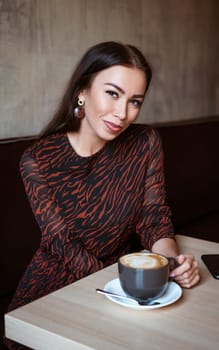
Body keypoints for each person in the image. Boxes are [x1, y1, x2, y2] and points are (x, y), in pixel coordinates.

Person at [5, 41, 200, 348]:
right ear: (82, 91)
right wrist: (126, 284)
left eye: (135, 101)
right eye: (112, 93)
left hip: (121, 277)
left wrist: (171, 264)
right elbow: (62, 245)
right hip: (56, 284)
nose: (122, 113)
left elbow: (153, 218)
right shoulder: (37, 159)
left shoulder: (146, 143)